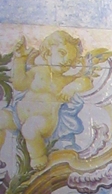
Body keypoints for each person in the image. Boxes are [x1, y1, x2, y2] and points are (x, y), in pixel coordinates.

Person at [0, 32, 94, 170]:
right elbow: (19, 84)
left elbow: (86, 82)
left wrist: (72, 87)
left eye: (70, 61)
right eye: (62, 53)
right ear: (48, 51)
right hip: (18, 115)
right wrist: (20, 59)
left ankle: (38, 157)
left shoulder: (65, 81)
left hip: (44, 122)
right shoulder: (37, 71)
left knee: (30, 128)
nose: (65, 61)